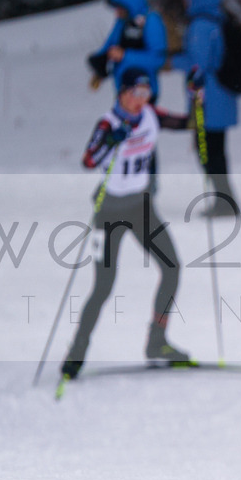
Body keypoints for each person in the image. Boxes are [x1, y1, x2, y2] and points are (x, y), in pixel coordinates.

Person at [61, 67, 192, 381]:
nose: (140, 101)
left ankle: (157, 343)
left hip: (141, 207)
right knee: (103, 286)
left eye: (145, 94)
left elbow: (189, 123)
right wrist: (110, 139)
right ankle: (76, 353)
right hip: (108, 212)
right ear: (121, 93)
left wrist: (196, 94)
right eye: (135, 93)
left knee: (172, 269)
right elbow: (89, 160)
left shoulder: (150, 116)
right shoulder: (109, 122)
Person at [170, 0, 241, 217]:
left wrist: (171, 61)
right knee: (215, 151)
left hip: (208, 99)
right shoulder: (217, 19)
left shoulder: (201, 25)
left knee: (208, 153)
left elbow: (198, 64)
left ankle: (225, 202)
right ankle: (225, 199)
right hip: (220, 97)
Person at [87, 0, 168, 100]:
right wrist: (100, 62)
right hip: (124, 91)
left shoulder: (151, 20)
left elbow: (158, 59)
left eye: (120, 7)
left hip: (144, 92)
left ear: (130, 3)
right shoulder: (122, 22)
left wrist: (125, 56)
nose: (117, 12)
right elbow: (111, 45)